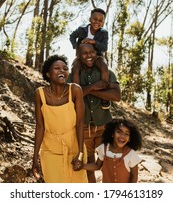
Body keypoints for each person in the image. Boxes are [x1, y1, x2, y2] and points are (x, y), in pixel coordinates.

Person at [68, 42, 121, 182]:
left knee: (109, 162)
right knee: (88, 164)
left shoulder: (107, 73)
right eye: (84, 53)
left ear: (96, 54)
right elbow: (73, 97)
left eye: (91, 52)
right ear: (78, 56)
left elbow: (116, 96)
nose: (88, 56)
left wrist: (87, 90)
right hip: (83, 129)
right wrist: (94, 87)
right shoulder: (73, 75)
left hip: (104, 126)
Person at [32, 54, 88, 183]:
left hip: (74, 148)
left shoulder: (75, 90)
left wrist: (80, 155)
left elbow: (80, 124)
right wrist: (35, 159)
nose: (62, 70)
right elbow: (40, 127)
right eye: (57, 68)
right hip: (51, 150)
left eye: (64, 68)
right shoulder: (39, 94)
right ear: (48, 74)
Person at [69, 8, 110, 109]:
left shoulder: (104, 33)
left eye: (100, 20)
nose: (97, 22)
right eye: (95, 19)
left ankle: (104, 95)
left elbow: (104, 47)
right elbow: (72, 36)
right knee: (75, 68)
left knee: (104, 66)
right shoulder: (82, 29)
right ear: (90, 19)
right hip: (81, 56)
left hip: (97, 56)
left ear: (103, 23)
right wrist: (76, 47)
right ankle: (77, 94)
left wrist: (95, 42)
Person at [82, 118, 142, 183]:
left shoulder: (131, 154)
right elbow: (97, 166)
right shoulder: (103, 149)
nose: (122, 136)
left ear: (130, 138)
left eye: (126, 134)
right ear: (112, 133)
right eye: (119, 132)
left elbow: (134, 176)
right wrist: (82, 166)